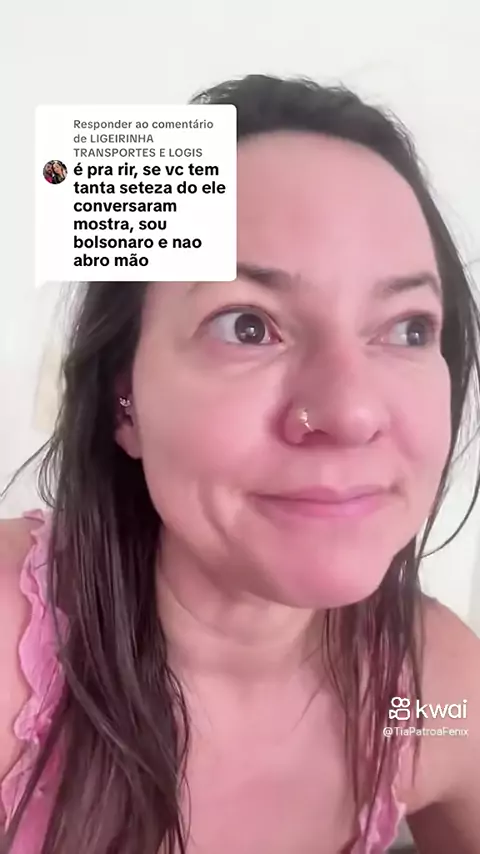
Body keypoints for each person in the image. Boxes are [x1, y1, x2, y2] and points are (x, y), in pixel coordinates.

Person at [1, 74, 480, 854]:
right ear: (125, 399)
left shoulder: (433, 700)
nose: (351, 412)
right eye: (248, 326)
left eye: (407, 328)